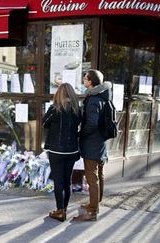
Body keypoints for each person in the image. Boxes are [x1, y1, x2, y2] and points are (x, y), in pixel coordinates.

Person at [73, 69, 111, 222]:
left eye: (85, 77)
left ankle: (93, 210)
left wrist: (81, 134)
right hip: (100, 141)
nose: (83, 79)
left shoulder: (94, 99)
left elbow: (92, 123)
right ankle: (96, 202)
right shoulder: (103, 96)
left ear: (91, 81)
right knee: (99, 173)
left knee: (91, 176)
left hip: (92, 142)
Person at [43, 83, 81, 222]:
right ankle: (63, 210)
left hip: (56, 150)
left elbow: (44, 123)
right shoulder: (77, 110)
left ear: (59, 94)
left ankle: (60, 211)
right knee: (67, 181)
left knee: (58, 181)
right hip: (71, 150)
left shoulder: (54, 109)